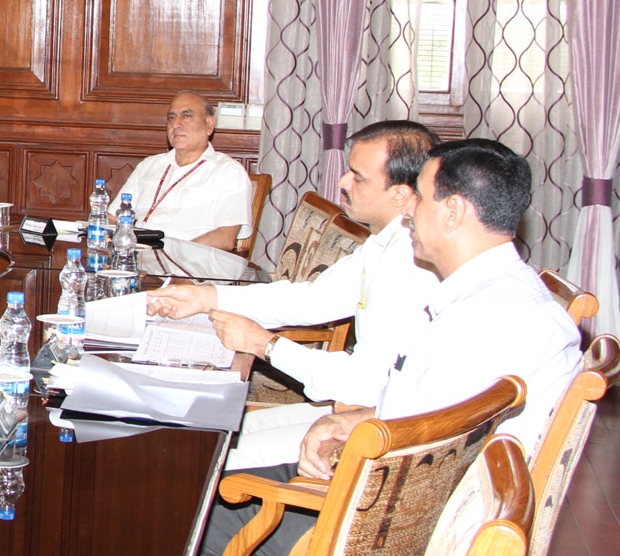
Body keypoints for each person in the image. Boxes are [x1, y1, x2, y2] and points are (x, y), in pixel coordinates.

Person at [198, 138, 581, 556]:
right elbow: (436, 415)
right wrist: (347, 420)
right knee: (200, 489)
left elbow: (428, 447)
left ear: (452, 212)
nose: (409, 210)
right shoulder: (491, 294)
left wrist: (354, 436)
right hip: (387, 494)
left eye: (419, 195)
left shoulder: (485, 321)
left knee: (177, 520)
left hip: (386, 532)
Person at [149, 121, 441, 469]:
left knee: (199, 457)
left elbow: (362, 382)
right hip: (361, 409)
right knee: (201, 433)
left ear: (400, 193)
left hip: (380, 428)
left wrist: (265, 345)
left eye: (357, 177)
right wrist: (207, 297)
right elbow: (310, 300)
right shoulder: (385, 243)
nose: (342, 182)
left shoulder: (411, 263)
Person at [118, 91, 254, 249]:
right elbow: (112, 217)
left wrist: (175, 256)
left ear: (209, 125)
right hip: (138, 260)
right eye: (171, 117)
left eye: (186, 116)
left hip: (191, 266)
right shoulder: (148, 165)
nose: (176, 124)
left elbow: (224, 239)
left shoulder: (228, 172)